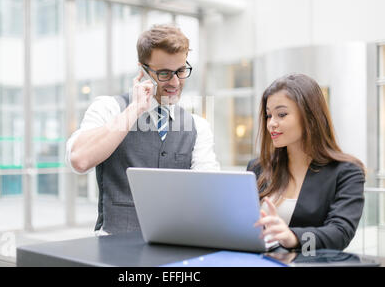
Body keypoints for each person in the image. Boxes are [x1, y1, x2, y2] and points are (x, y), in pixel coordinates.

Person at [66, 24, 220, 235]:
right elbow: (80, 160)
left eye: (181, 71)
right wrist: (135, 109)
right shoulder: (110, 108)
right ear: (143, 71)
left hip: (174, 245)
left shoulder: (197, 127)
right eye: (165, 73)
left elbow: (210, 191)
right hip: (114, 248)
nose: (175, 82)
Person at [248, 73, 365, 251]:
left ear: (310, 116)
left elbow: (340, 233)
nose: (271, 123)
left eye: (281, 114)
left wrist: (293, 237)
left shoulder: (346, 172)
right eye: (268, 115)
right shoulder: (258, 167)